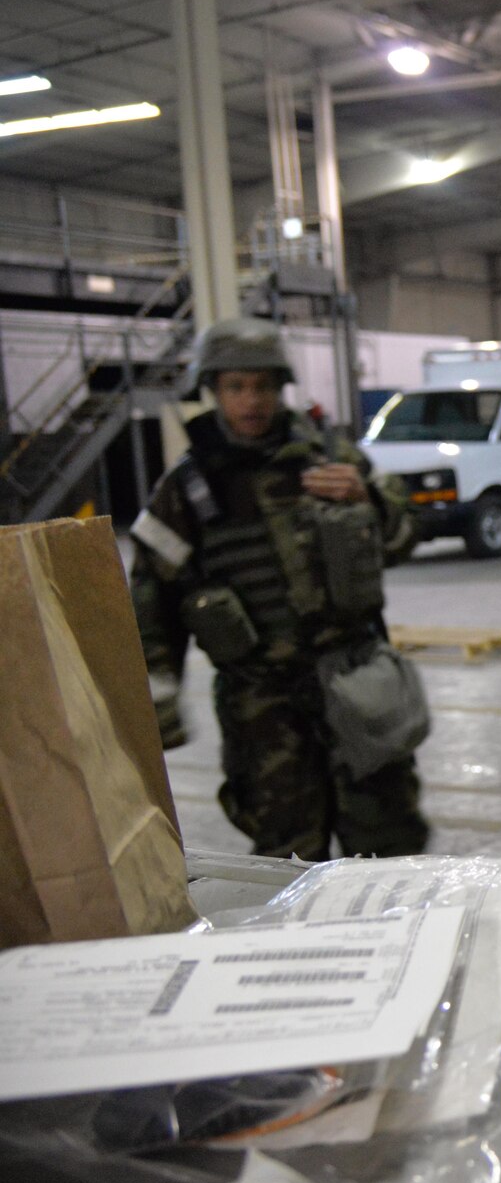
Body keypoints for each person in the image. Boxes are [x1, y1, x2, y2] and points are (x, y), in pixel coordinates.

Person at [129, 317, 430, 861]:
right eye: (236, 387)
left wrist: (370, 501)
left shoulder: (331, 459)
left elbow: (404, 538)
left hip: (355, 681)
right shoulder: (186, 490)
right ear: (214, 391)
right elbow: (152, 593)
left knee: (393, 850)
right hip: (262, 708)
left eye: (264, 385)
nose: (252, 401)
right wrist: (157, 686)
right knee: (287, 859)